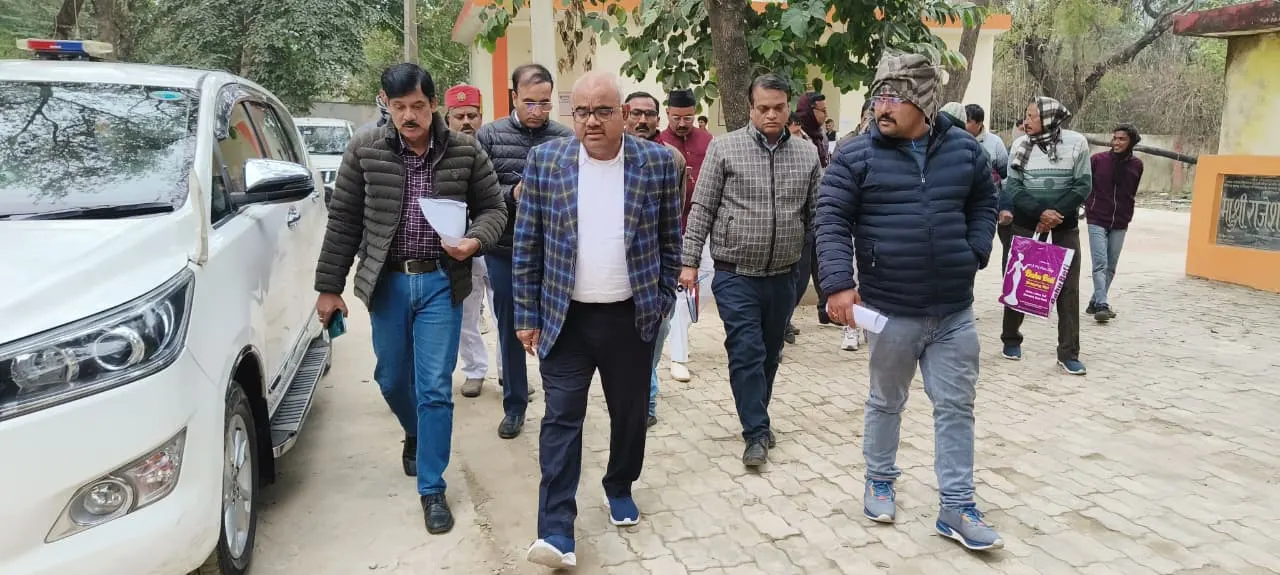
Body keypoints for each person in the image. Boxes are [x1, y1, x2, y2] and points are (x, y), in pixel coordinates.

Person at [816, 51, 1001, 552]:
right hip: (890, 310)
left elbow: (985, 201)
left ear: (924, 101)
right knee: (886, 401)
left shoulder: (964, 150)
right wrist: (838, 283)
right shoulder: (855, 155)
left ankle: (957, 506)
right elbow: (830, 218)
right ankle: (879, 480)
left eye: (894, 97)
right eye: (879, 96)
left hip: (954, 312)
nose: (882, 106)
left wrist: (975, 250)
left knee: (956, 407)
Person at [314, 63, 507, 535]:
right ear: (386, 103)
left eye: (418, 106)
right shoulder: (365, 149)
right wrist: (329, 287)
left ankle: (432, 487)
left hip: (442, 281)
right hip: (388, 283)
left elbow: (494, 208)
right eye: (398, 107)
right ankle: (416, 431)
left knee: (435, 387)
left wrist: (475, 240)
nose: (409, 116)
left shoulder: (464, 150)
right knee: (390, 377)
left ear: (433, 104)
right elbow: (343, 221)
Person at [516, 71, 683, 569]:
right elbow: (527, 243)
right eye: (583, 112)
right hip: (564, 318)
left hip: (631, 318)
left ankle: (619, 485)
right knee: (561, 418)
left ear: (624, 114)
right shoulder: (546, 161)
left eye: (603, 111)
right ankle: (555, 530)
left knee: (629, 414)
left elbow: (671, 239)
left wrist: (662, 298)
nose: (592, 121)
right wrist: (526, 314)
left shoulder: (657, 163)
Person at [680, 73, 821, 469]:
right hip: (735, 272)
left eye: (778, 108)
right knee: (747, 351)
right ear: (750, 109)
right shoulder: (725, 148)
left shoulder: (807, 154)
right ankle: (756, 432)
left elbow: (818, 215)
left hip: (785, 274)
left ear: (788, 107)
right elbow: (702, 207)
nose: (771, 115)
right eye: (763, 108)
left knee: (770, 353)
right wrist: (689, 262)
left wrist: (828, 270)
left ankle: (757, 414)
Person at [475, 63, 574, 439]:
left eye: (545, 103)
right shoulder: (489, 136)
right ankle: (514, 405)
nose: (537, 111)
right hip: (505, 250)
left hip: (553, 254)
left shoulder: (565, 139)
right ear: (514, 97)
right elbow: (477, 194)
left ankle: (560, 405)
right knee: (511, 328)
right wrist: (512, 194)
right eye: (530, 102)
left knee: (557, 328)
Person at [1001, 96, 1092, 375]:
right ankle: (1011, 339)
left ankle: (1068, 353)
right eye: (1026, 115)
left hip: (1064, 223)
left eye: (1032, 116)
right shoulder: (1020, 145)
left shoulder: (1077, 143)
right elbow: (1013, 187)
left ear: (1050, 119)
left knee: (1068, 287)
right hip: (1027, 222)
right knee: (1018, 281)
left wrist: (1055, 214)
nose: (1026, 121)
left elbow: (1083, 185)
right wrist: (1041, 212)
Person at [622, 90, 686, 428]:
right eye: (636, 113)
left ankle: (645, 395)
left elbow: (674, 219)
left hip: (657, 269)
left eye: (649, 114)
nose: (642, 120)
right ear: (624, 115)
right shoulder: (611, 157)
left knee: (655, 336)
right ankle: (638, 399)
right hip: (618, 272)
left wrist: (671, 274)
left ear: (658, 119)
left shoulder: (671, 159)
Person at [444, 84, 500, 398]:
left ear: (481, 117)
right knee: (467, 313)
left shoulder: (493, 147)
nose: (466, 122)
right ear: (448, 118)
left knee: (504, 313)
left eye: (472, 115)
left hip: (497, 243)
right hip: (459, 246)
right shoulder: (441, 154)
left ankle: (508, 373)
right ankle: (475, 371)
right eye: (459, 116)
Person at [656, 88, 714, 383]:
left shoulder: (708, 141)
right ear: (667, 113)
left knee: (707, 284)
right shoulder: (659, 144)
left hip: (704, 226)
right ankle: (679, 357)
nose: (682, 123)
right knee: (680, 293)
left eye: (688, 117)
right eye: (677, 117)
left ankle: (675, 327)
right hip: (673, 228)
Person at [1085, 123, 1144, 323]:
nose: (1117, 142)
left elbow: (1131, 192)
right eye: (1115, 138)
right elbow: (1086, 185)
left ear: (1131, 142)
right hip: (1097, 218)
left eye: (1122, 139)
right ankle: (1102, 305)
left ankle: (1095, 301)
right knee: (1100, 263)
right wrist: (1089, 206)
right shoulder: (1097, 160)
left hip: (1120, 221)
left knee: (1111, 266)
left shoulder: (1137, 165)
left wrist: (1127, 213)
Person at [963, 103, 1012, 270]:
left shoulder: (995, 143)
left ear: (979, 123)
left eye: (968, 121)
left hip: (985, 203)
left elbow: (1005, 176)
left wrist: (1005, 206)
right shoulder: (955, 139)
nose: (964, 124)